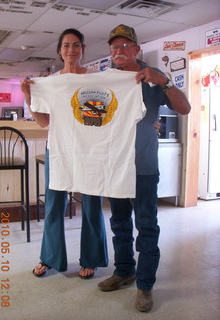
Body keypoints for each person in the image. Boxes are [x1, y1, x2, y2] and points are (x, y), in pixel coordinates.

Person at [98, 24, 191, 312]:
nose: (119, 51)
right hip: (114, 166)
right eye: (114, 48)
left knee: (147, 226)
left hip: (144, 167)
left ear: (137, 50)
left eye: (125, 46)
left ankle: (145, 285)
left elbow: (185, 108)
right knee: (120, 224)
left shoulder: (153, 79)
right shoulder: (106, 81)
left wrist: (164, 81)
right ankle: (125, 271)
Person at [20, 28, 108, 279]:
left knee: (91, 205)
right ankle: (49, 257)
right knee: (54, 205)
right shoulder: (52, 82)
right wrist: (28, 97)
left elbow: (99, 115)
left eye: (76, 45)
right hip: (57, 150)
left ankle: (91, 258)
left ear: (83, 49)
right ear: (60, 50)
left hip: (89, 150)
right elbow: (44, 122)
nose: (71, 50)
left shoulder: (94, 80)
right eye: (66, 45)